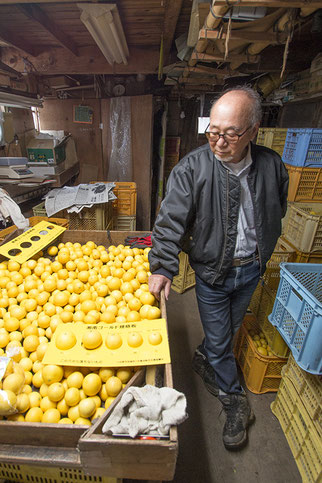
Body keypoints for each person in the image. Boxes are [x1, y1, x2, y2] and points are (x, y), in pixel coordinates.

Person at [148, 86, 289, 450]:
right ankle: (235, 399)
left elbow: (279, 207)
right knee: (220, 339)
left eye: (230, 133)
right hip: (212, 273)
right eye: (213, 131)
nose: (219, 141)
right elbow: (169, 221)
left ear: (253, 131)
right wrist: (163, 266)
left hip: (251, 269)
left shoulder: (272, 165)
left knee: (227, 329)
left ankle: (208, 356)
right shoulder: (192, 169)